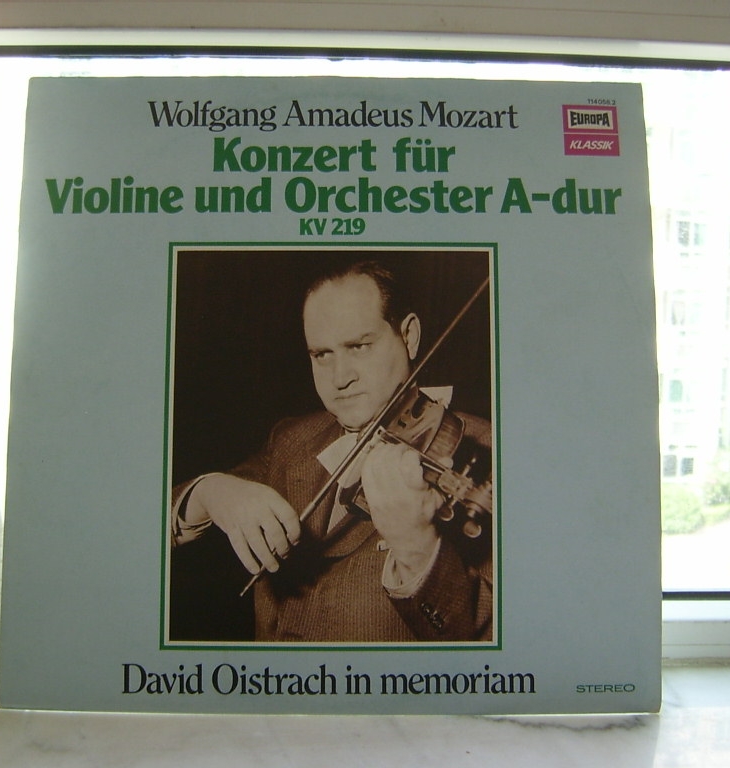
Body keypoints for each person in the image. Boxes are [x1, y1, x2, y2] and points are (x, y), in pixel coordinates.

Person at [170, 259, 492, 642]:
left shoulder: (493, 452)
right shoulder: (292, 438)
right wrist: (211, 492)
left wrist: (417, 547)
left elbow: (503, 635)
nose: (340, 378)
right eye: (322, 354)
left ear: (409, 336)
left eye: (359, 346)